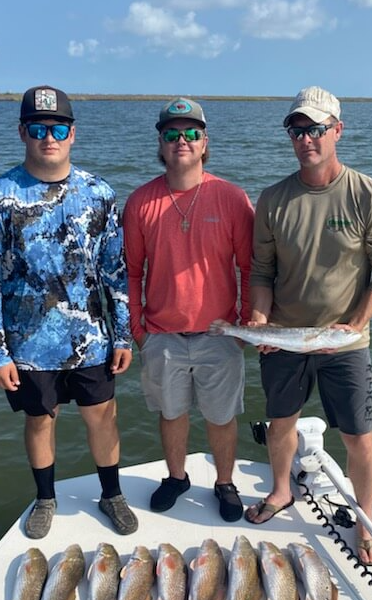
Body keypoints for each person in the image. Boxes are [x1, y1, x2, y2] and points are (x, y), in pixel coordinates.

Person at [0, 85, 138, 539]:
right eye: (39, 128)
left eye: (58, 127)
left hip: (93, 339)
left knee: (103, 413)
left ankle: (112, 494)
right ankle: (45, 498)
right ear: (23, 132)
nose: (49, 137)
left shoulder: (99, 193)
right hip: (28, 344)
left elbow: (116, 272)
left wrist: (123, 335)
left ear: (72, 134)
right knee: (40, 419)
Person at [246, 86, 372, 567]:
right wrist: (259, 318)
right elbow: (261, 272)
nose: (306, 138)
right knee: (280, 424)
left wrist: (353, 323)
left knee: (359, 437)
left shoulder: (367, 194)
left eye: (315, 129)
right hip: (285, 336)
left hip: (346, 342)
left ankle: (366, 520)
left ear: (337, 130)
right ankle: (279, 491)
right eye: (297, 130)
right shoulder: (273, 199)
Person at [123, 97, 254, 522]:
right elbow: (131, 272)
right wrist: (137, 329)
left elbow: (250, 267)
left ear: (205, 143)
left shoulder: (232, 198)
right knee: (171, 412)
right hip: (161, 334)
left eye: (191, 133)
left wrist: (246, 325)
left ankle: (225, 482)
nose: (182, 140)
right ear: (160, 144)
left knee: (221, 416)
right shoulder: (140, 202)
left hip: (220, 333)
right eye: (172, 134)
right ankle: (176, 477)